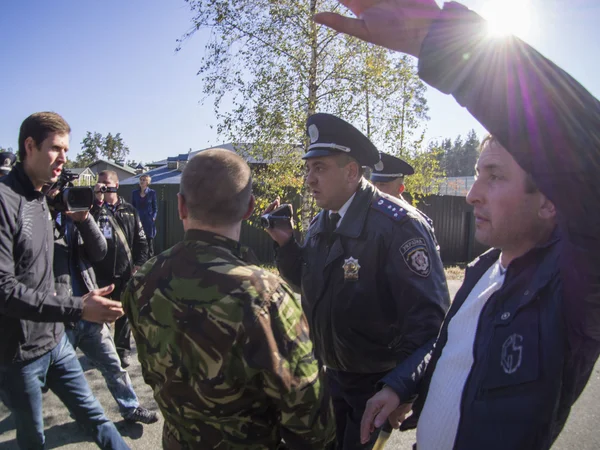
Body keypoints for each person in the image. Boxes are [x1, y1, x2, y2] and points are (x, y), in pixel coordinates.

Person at [313, 1, 600, 448]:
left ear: (550, 201)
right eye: (478, 173)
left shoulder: (570, 287)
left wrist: (443, 42)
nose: (472, 194)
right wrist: (402, 384)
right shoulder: (486, 270)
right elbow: (451, 352)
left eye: (496, 176)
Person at [121, 148, 335, 449]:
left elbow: (152, 371)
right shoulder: (265, 295)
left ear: (181, 206)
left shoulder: (142, 280)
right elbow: (310, 418)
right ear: (249, 208)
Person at [263, 113, 450, 449]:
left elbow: (429, 323)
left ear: (351, 172)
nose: (309, 179)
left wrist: (402, 386)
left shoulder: (398, 225)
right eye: (308, 169)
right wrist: (287, 245)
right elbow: (311, 283)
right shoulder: (323, 221)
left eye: (319, 168)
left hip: (374, 384)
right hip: (330, 376)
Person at [0, 111, 128, 449]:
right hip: (18, 355)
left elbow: (93, 252)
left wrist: (81, 217)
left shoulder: (44, 197)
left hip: (57, 342)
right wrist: (78, 307)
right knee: (33, 440)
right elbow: (4, 290)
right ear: (29, 146)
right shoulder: (5, 201)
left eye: (67, 150)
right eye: (56, 148)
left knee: (97, 419)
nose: (64, 159)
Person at [52, 206, 159, 425]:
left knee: (113, 365)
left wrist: (84, 221)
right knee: (54, 376)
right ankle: (80, 414)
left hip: (89, 305)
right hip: (58, 311)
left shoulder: (78, 218)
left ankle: (130, 407)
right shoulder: (39, 215)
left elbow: (99, 251)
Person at [91, 171, 149, 369]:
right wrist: (96, 204)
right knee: (101, 314)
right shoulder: (93, 210)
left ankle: (122, 350)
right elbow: (85, 233)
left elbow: (141, 240)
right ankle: (101, 351)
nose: (102, 187)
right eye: (99, 183)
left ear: (116, 184)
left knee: (123, 312)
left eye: (106, 183)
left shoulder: (130, 210)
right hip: (100, 272)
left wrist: (139, 264)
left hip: (125, 272)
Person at [131, 174, 158, 257]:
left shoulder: (152, 193)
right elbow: (133, 207)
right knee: (139, 242)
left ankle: (150, 263)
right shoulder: (134, 193)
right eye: (141, 180)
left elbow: (155, 208)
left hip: (148, 221)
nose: (142, 181)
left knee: (149, 243)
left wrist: (153, 217)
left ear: (147, 182)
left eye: (144, 180)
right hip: (138, 220)